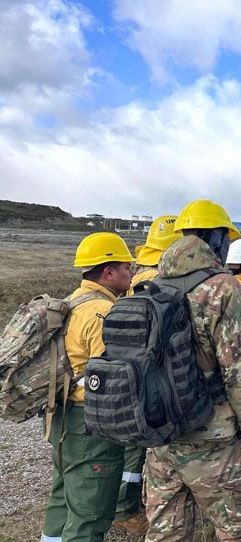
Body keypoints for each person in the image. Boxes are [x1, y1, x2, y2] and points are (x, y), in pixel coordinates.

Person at [143, 199, 241, 542]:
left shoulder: (155, 283)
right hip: (210, 437)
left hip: (162, 436)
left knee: (166, 533)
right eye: (225, 237)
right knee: (240, 530)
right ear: (215, 237)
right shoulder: (224, 288)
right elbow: (239, 372)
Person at [41, 232, 134, 542]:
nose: (132, 272)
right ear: (108, 272)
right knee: (89, 512)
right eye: (126, 267)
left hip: (61, 415)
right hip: (89, 423)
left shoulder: (70, 302)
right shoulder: (104, 314)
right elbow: (115, 378)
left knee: (63, 496)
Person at [114, 214, 181, 536]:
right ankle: (131, 509)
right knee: (149, 445)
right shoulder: (167, 279)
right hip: (158, 373)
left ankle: (129, 506)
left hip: (131, 369)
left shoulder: (138, 277)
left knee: (134, 441)